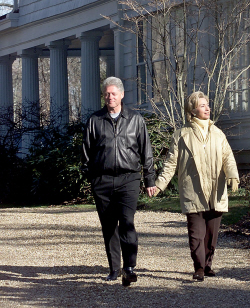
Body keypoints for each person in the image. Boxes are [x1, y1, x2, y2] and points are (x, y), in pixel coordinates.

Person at [154, 91, 239, 282]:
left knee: (211, 235)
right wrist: (159, 184)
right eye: (202, 105)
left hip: (215, 191)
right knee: (196, 234)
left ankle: (208, 264)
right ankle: (199, 267)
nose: (207, 108)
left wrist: (233, 175)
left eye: (207, 104)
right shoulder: (181, 135)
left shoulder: (218, 134)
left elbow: (228, 157)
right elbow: (170, 164)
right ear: (192, 110)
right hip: (193, 191)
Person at [82, 76, 156, 286]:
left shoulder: (135, 120)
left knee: (127, 222)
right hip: (102, 181)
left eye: (113, 93)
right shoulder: (95, 120)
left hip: (128, 179)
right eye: (106, 94)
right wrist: (92, 178)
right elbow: (86, 152)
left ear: (122, 95)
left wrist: (149, 179)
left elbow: (146, 152)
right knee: (109, 226)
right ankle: (114, 268)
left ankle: (129, 267)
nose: (109, 97)